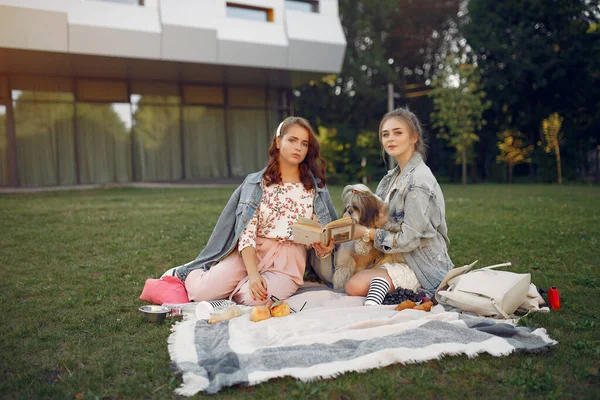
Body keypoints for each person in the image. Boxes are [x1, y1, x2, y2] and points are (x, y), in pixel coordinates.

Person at [166, 117, 338, 306]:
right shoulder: (256, 183)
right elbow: (247, 233)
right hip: (251, 253)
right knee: (201, 293)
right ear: (278, 142)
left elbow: (319, 236)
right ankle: (189, 274)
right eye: (292, 140)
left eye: (304, 143)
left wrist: (325, 248)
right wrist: (254, 275)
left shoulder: (315, 188)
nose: (298, 147)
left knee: (255, 298)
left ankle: (233, 290)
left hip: (288, 262)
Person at [346, 108, 453, 305]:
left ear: (414, 137)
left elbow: (409, 240)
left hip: (420, 264)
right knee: (345, 270)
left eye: (398, 132)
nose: (390, 139)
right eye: (385, 134)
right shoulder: (391, 178)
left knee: (354, 285)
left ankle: (407, 293)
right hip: (393, 255)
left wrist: (368, 234)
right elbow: (376, 219)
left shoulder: (418, 182)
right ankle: (389, 291)